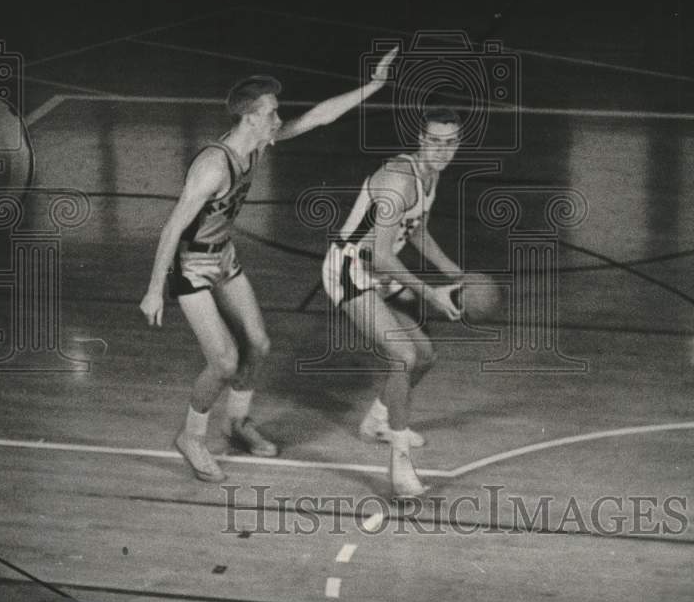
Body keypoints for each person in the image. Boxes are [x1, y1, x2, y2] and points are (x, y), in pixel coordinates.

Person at [140, 47, 398, 482]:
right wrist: (152, 289)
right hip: (191, 268)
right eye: (272, 112)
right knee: (223, 361)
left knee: (258, 345)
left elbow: (318, 117)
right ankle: (191, 436)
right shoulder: (211, 166)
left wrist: (374, 85)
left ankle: (237, 423)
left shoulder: (259, 143)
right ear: (250, 118)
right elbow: (171, 229)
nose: (280, 118)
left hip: (223, 257)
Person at [321, 106, 464, 497]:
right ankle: (399, 466)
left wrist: (454, 272)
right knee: (402, 355)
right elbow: (381, 255)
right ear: (421, 140)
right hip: (351, 269)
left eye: (450, 142)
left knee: (426, 356)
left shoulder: (429, 176)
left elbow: (416, 232)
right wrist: (430, 292)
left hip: (380, 272)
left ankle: (378, 423)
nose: (443, 150)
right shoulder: (398, 180)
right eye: (435, 141)